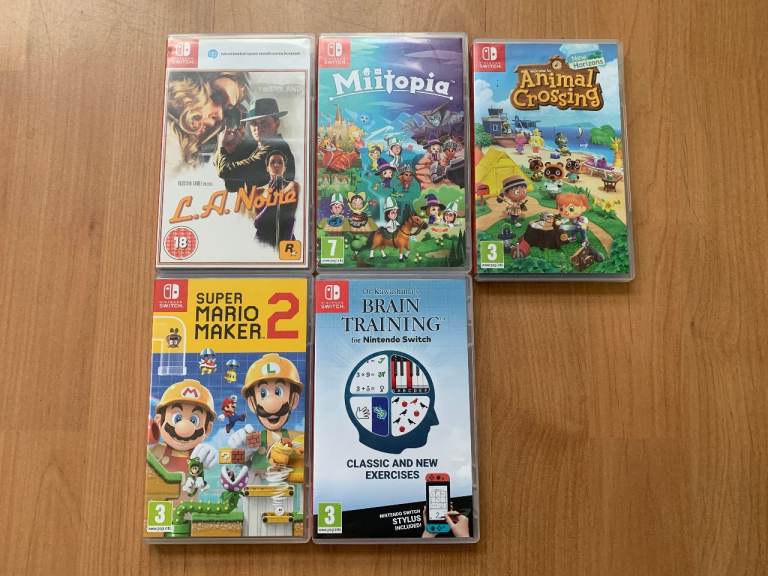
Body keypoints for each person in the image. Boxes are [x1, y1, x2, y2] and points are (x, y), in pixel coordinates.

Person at [228, 354, 304, 480]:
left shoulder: (297, 438)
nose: (271, 405)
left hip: (286, 489)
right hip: (257, 489)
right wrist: (240, 454)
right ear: (252, 403)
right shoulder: (253, 440)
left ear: (294, 400)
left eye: (278, 392)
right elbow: (236, 470)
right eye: (263, 393)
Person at [214, 98, 295, 193]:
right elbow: (232, 185)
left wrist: (221, 145)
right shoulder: (261, 148)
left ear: (276, 124)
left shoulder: (274, 150)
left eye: (263, 122)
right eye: (253, 123)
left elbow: (224, 171)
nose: (257, 127)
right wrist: (231, 150)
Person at [251, 149, 300, 247]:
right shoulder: (258, 191)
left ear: (285, 168)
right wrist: (271, 197)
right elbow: (258, 222)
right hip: (264, 240)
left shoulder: (293, 186)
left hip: (286, 239)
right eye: (272, 162)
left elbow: (289, 217)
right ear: (267, 168)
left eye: (280, 162)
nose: (276, 165)